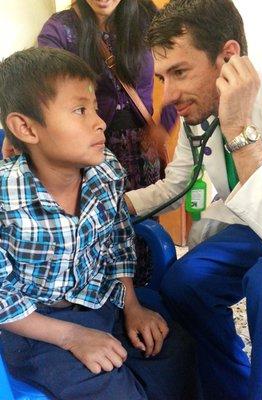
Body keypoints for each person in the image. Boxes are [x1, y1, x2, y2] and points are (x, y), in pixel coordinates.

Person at [0, 47, 199, 400]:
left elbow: (118, 241)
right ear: (26, 128)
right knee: (112, 389)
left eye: (93, 108)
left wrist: (132, 306)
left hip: (98, 302)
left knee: (174, 351)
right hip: (31, 328)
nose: (100, 122)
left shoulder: (105, 172)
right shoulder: (6, 199)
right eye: (80, 110)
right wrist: (71, 336)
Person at [125, 0, 262, 399]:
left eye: (180, 73)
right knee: (187, 281)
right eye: (163, 77)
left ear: (229, 57)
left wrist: (238, 127)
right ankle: (231, 389)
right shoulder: (198, 110)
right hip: (257, 225)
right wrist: (111, 204)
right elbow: (176, 185)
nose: (169, 96)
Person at [35, 0, 177, 287]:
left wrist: (166, 123)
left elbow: (180, 68)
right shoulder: (59, 30)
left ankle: (144, 299)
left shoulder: (150, 18)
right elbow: (42, 90)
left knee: (142, 230)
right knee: (97, 232)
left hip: (142, 147)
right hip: (88, 152)